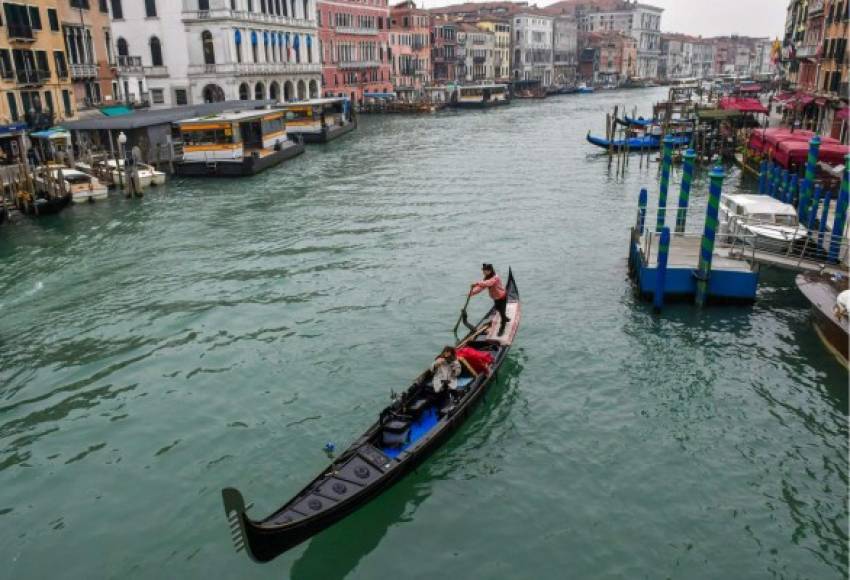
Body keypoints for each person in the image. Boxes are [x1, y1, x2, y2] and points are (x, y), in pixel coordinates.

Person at [470, 263, 510, 336]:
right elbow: (481, 287)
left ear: (490, 271)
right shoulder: (486, 278)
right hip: (495, 298)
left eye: (485, 271)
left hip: (502, 297)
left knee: (502, 313)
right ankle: (505, 317)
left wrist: (476, 283)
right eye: (483, 271)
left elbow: (487, 283)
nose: (483, 272)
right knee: (497, 309)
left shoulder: (495, 278)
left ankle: (502, 328)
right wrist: (472, 293)